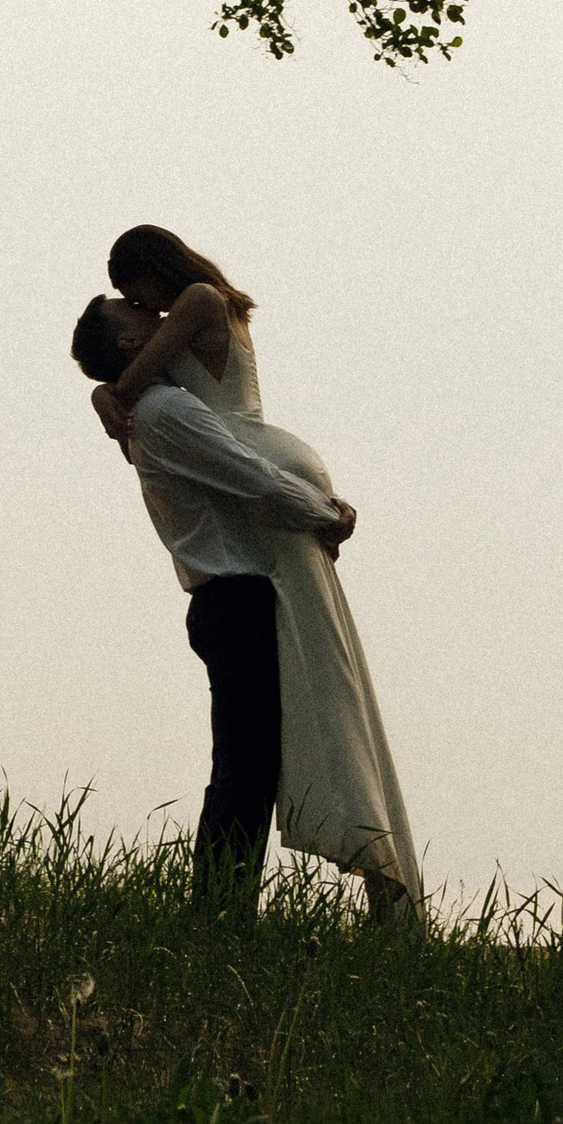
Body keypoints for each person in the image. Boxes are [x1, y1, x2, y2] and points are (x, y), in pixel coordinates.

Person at [72, 224, 420, 914]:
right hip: (242, 581)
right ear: (127, 345)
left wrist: (107, 397)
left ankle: (244, 902)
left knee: (274, 743)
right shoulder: (166, 405)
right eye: (130, 312)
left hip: (258, 566)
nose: (141, 309)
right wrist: (322, 512)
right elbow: (243, 471)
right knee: (253, 756)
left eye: (132, 293)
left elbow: (235, 460)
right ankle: (223, 908)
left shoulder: (182, 352)